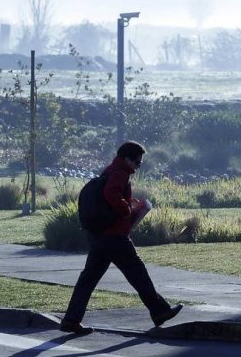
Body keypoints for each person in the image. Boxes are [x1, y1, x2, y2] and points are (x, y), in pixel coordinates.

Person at [60, 141, 183, 335]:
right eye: (137, 162)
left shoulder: (110, 170)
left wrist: (125, 203)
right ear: (127, 159)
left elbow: (110, 195)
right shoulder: (120, 173)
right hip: (115, 236)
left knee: (88, 279)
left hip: (100, 236)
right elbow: (111, 194)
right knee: (138, 273)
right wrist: (127, 210)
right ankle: (160, 311)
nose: (138, 166)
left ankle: (71, 320)